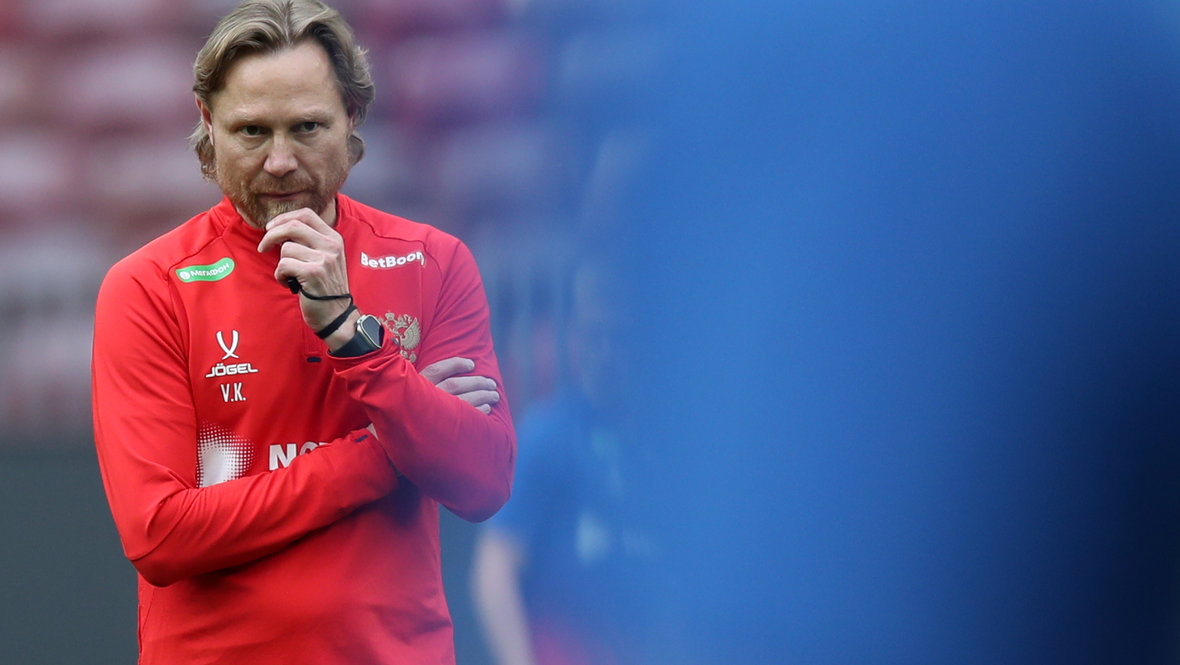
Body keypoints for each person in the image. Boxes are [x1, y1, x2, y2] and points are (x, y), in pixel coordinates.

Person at [90, 2, 515, 663]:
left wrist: (350, 335)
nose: (281, 160)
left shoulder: (432, 262)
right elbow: (160, 535)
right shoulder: (149, 286)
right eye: (252, 131)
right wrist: (382, 451)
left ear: (353, 116)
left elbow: (483, 482)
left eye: (307, 127)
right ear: (208, 122)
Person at [471, 255, 657, 665]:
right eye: (593, 336)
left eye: (618, 337)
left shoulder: (673, 440)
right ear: (574, 333)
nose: (604, 353)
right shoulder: (548, 435)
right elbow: (495, 567)